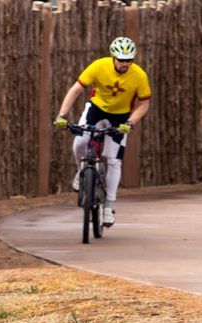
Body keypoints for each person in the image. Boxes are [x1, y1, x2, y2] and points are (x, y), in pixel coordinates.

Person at [53, 36, 151, 227]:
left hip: (121, 116)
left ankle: (108, 207)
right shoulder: (99, 66)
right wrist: (62, 115)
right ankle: (81, 170)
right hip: (96, 110)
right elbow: (76, 89)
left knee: (114, 161)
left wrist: (130, 123)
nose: (125, 64)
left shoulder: (139, 75)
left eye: (129, 60)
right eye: (121, 60)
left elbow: (144, 103)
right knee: (80, 143)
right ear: (113, 57)